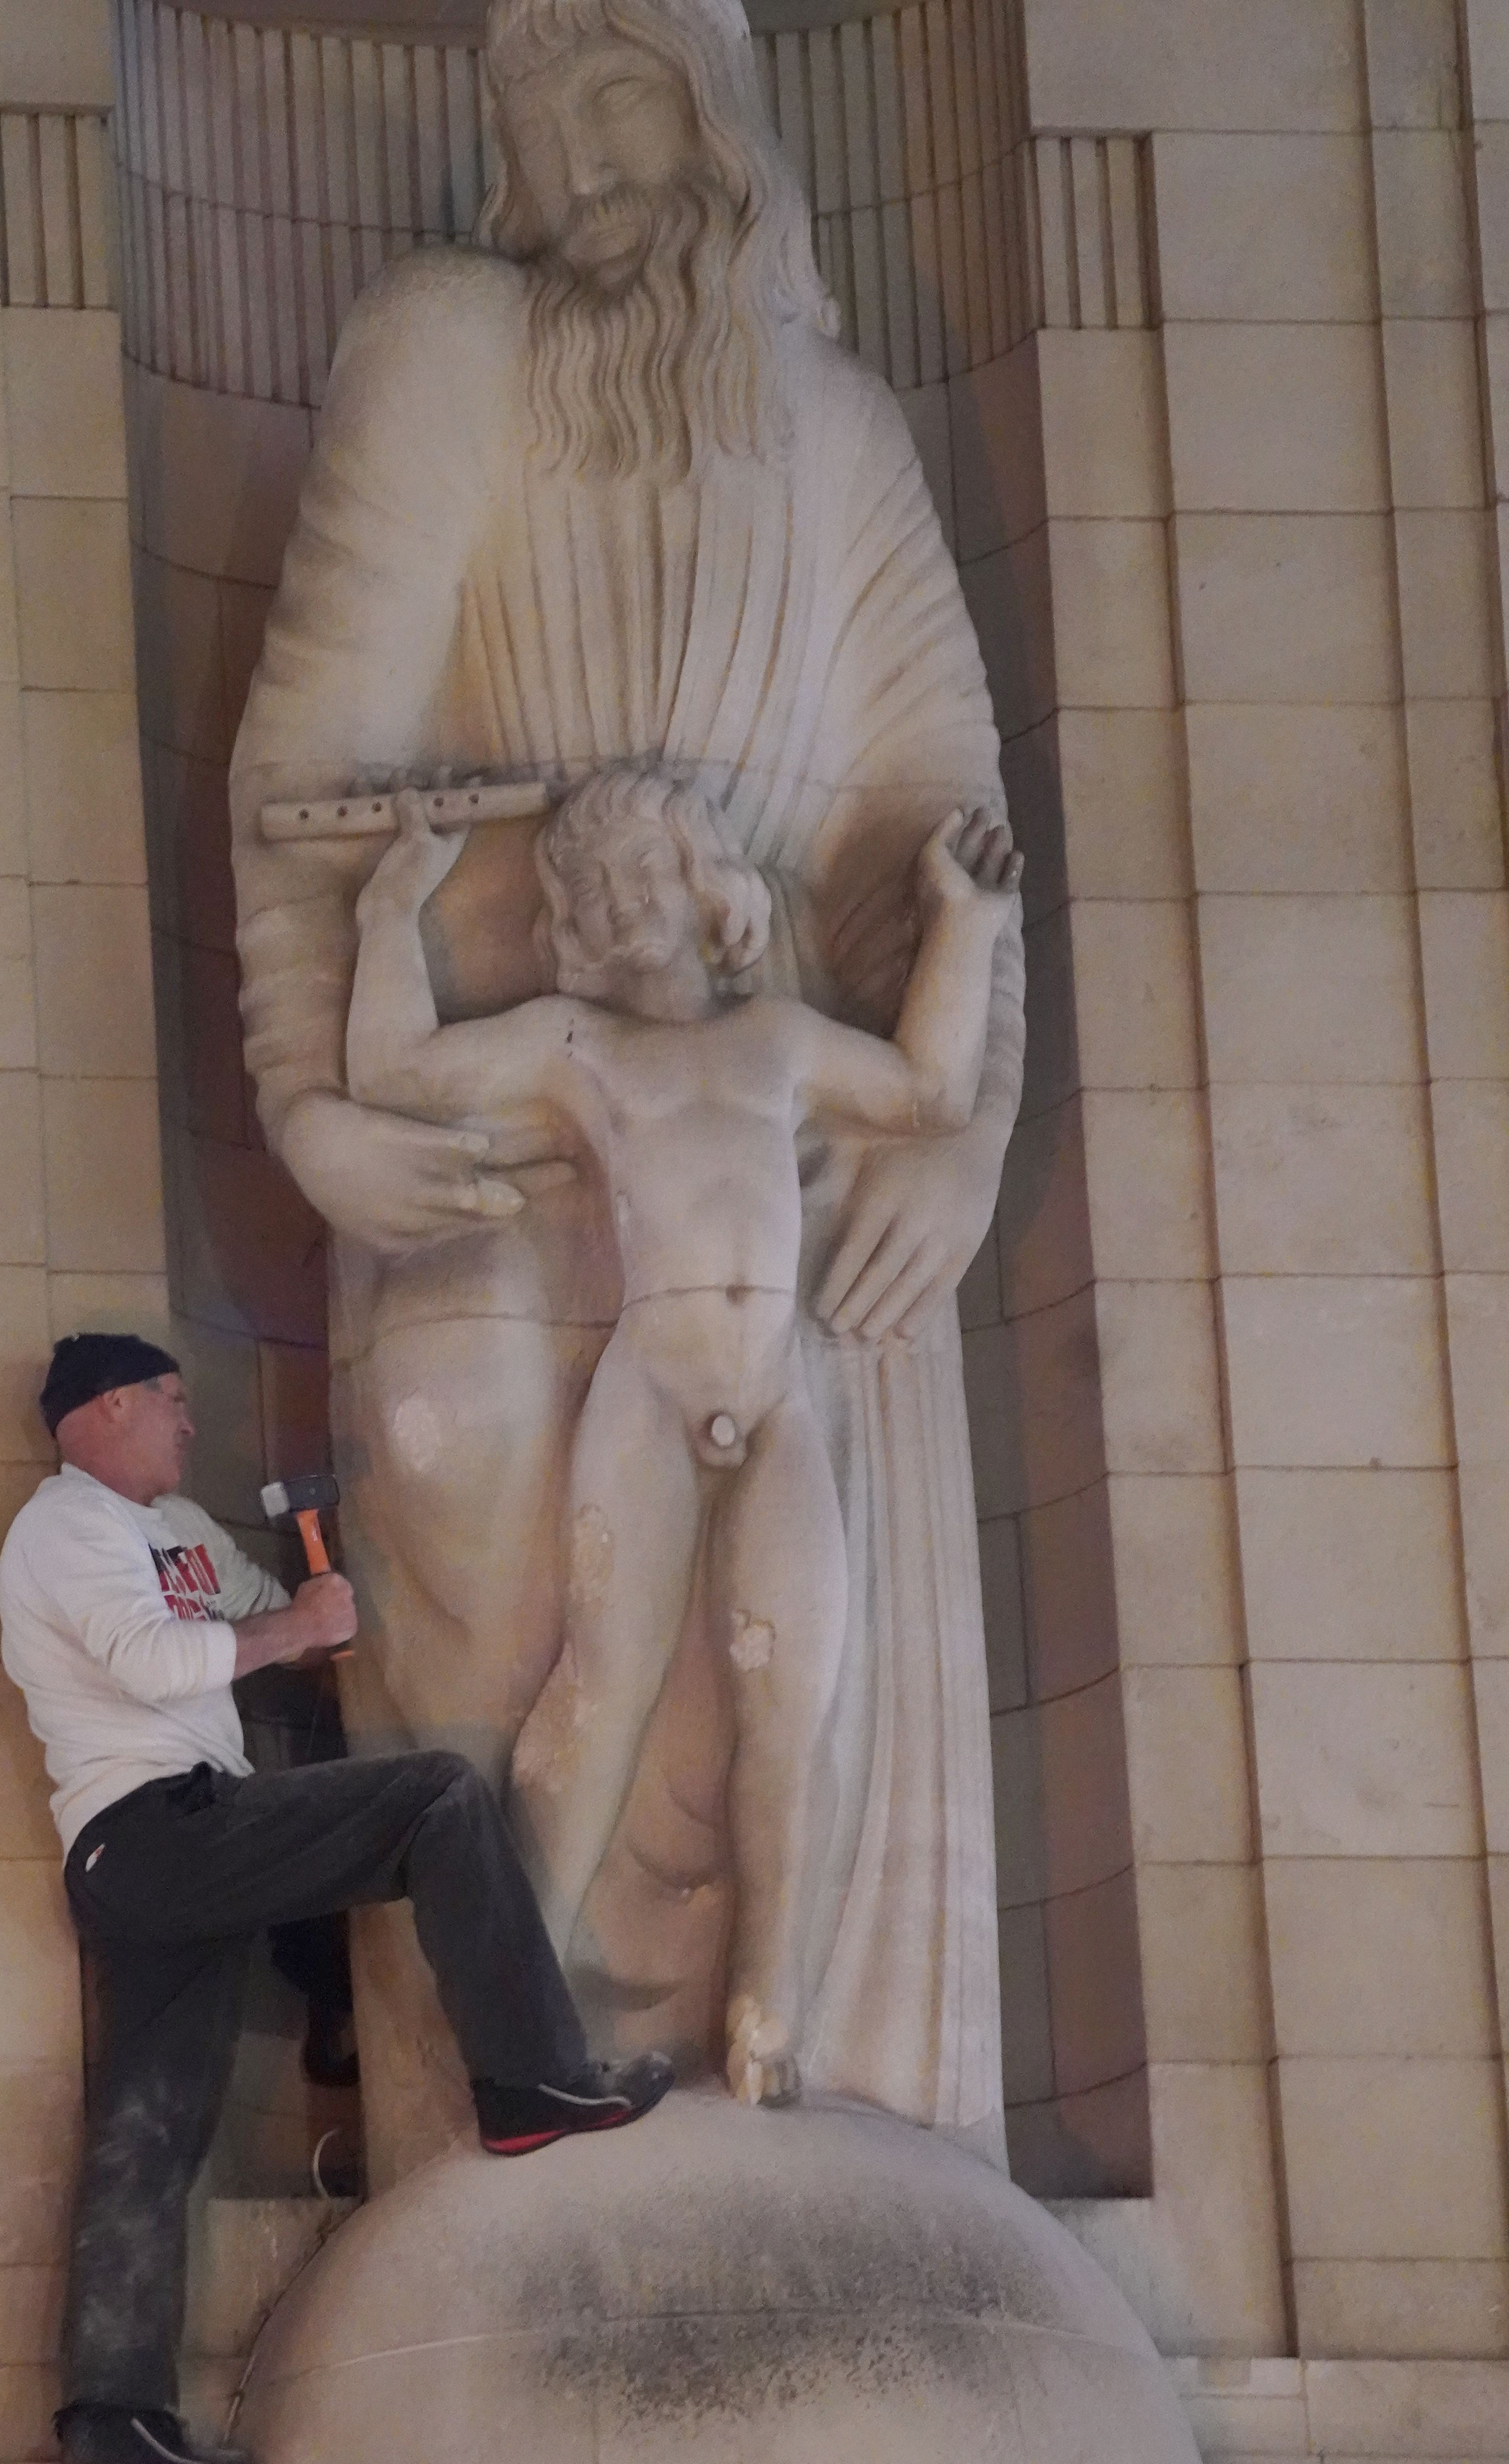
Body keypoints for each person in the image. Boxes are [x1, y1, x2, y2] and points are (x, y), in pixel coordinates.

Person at [229, 0, 1021, 2161]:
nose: (579, 155)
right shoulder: (442, 353)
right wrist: (315, 1100)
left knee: (793, 1670)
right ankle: (493, 2094)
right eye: (533, 110)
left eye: (621, 92)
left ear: (721, 111)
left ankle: (790, 2072)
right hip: (493, 1135)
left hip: (785, 1201)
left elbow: (946, 819)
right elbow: (306, 764)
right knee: (494, 1537)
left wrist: (969, 1133)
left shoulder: (842, 434)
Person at [347, 779, 1020, 2106]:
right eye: (593, 886)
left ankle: (765, 2016)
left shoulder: (773, 1038)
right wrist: (388, 911)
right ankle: (516, 2022)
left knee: (791, 1708)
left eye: (646, 870)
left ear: (706, 881)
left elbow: (932, 1087)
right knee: (602, 1693)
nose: (622, 901)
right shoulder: (577, 1046)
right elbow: (392, 1068)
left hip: (775, 1398)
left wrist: (966, 923)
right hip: (651, 1392)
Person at [0, 1332, 673, 2464]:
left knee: (148, 2132)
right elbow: (159, 1664)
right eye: (169, 1399)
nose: (190, 1420)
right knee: (438, 1801)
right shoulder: (64, 1524)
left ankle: (113, 2424)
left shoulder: (184, 1530)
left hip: (198, 1843)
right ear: (107, 1408)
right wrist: (290, 1630)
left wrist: (320, 1606)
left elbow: (288, 1625)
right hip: (147, 1833)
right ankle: (531, 2080)